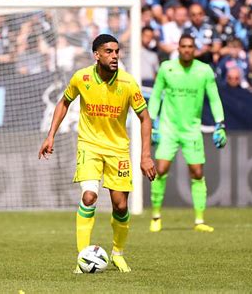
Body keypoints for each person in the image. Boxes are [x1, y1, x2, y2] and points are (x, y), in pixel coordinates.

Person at [38, 34, 156, 273]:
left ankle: (118, 253)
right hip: (89, 146)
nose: (114, 56)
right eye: (109, 52)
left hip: (118, 150)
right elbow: (63, 102)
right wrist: (50, 135)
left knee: (120, 206)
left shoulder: (127, 83)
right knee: (89, 197)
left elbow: (145, 117)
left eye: (116, 52)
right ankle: (83, 259)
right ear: (97, 55)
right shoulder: (81, 78)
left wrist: (145, 155)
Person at [148, 34, 226, 233]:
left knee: (198, 172)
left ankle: (199, 221)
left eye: (190, 46)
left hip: (192, 129)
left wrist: (220, 124)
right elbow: (156, 96)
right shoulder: (167, 68)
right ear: (178, 48)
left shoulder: (204, 70)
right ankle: (156, 217)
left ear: (195, 48)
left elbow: (215, 99)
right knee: (161, 169)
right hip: (168, 128)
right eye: (183, 46)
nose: (187, 50)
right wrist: (152, 124)